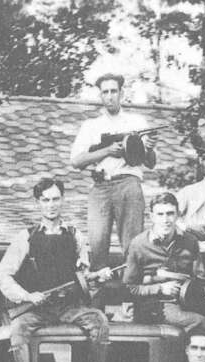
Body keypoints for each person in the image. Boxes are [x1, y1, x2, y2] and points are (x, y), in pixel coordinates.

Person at [0, 177, 116, 362]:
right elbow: (2, 275)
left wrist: (97, 278)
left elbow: (83, 276)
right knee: (17, 328)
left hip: (69, 308)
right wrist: (27, 295)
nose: (51, 205)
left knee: (99, 321)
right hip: (37, 310)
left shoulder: (74, 235)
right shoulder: (26, 237)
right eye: (45, 200)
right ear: (38, 203)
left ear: (63, 200)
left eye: (56, 199)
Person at [69, 73, 157, 268]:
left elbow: (151, 162)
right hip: (100, 187)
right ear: (100, 96)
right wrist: (107, 151)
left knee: (133, 245)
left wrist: (148, 147)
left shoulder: (137, 122)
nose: (110, 96)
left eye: (114, 91)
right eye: (105, 92)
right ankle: (98, 296)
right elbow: (76, 161)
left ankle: (135, 294)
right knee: (97, 246)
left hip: (128, 183)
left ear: (121, 93)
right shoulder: (91, 126)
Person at [124, 192, 205, 333]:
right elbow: (129, 288)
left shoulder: (190, 241)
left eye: (170, 214)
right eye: (160, 214)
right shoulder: (139, 244)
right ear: (151, 217)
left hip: (186, 300)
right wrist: (160, 288)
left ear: (178, 215)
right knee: (199, 322)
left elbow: (199, 278)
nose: (166, 220)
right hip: (154, 306)